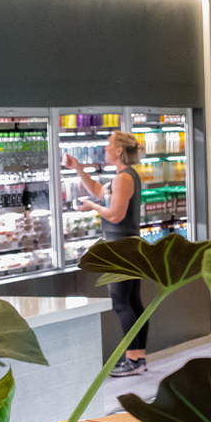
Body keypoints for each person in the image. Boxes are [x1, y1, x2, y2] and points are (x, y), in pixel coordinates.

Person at [65, 131, 148, 377]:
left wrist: (91, 207)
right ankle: (138, 357)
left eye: (109, 145)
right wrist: (79, 168)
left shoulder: (123, 178)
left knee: (122, 303)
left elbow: (115, 215)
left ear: (119, 150)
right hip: (128, 247)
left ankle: (132, 359)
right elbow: (99, 190)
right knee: (133, 302)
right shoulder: (123, 177)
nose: (105, 148)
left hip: (120, 248)